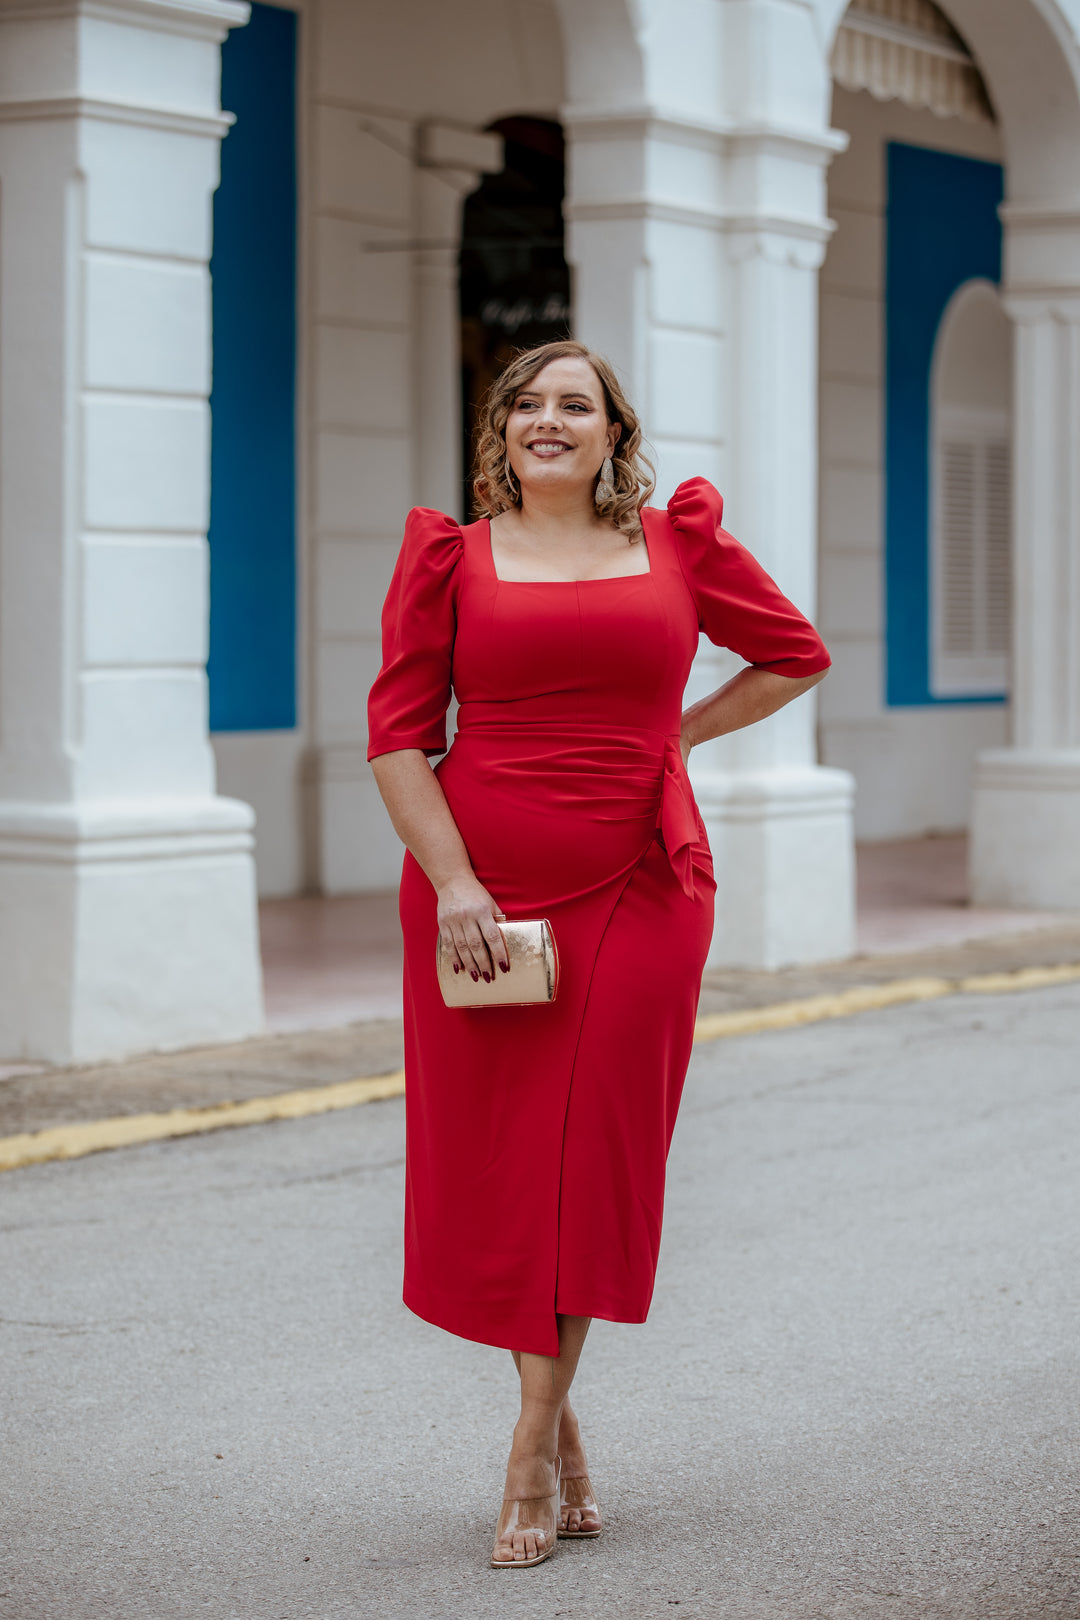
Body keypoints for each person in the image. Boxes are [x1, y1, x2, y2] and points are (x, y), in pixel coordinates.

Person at [367, 339, 830, 1569]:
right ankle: (562, 1417)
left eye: (576, 404)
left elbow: (793, 653)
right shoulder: (449, 557)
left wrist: (678, 735)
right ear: (502, 431)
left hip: (641, 884)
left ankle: (526, 1438)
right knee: (511, 1160)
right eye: (528, 403)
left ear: (614, 432)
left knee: (598, 1155)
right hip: (484, 902)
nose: (549, 420)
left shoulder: (679, 544)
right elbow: (398, 742)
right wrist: (455, 881)